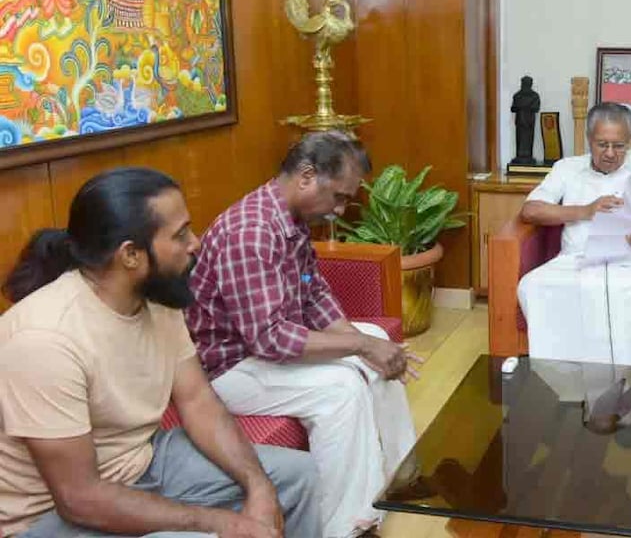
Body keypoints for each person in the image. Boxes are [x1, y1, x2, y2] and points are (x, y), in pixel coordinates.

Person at [0, 168, 320, 538]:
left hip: (141, 461)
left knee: (297, 477)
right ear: (131, 255)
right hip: (48, 517)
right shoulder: (45, 340)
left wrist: (259, 488)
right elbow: (79, 497)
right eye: (180, 234)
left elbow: (198, 400)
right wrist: (219, 522)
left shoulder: (157, 297)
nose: (195, 243)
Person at [185, 131, 423, 538]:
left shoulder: (290, 219)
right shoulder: (251, 232)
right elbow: (270, 339)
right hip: (229, 367)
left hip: (264, 348)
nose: (341, 210)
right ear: (307, 176)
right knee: (341, 387)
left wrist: (366, 344)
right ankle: (347, 526)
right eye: (340, 197)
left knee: (373, 346)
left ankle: (402, 476)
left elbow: (313, 293)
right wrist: (361, 346)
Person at [517, 102, 631, 368]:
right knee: (533, 285)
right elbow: (530, 210)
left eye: (618, 146)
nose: (610, 153)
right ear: (589, 139)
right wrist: (586, 210)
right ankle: (562, 382)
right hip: (574, 262)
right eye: (602, 144)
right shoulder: (567, 168)